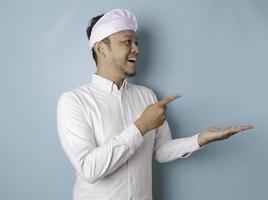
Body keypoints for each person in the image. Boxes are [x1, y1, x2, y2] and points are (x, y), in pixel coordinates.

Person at [57, 8, 254, 200]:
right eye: (127, 42)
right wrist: (141, 126)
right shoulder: (74, 101)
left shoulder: (146, 96)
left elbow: (161, 150)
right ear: (101, 49)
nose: (136, 49)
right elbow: (89, 169)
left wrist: (200, 139)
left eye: (136, 42)